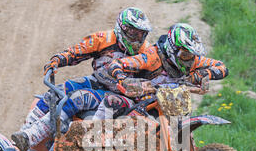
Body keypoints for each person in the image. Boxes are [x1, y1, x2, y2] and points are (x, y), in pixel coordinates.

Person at [11, 7, 152, 151]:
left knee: (77, 98)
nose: (137, 38)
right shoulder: (103, 39)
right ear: (122, 28)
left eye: (142, 34)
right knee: (56, 92)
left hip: (122, 95)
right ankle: (23, 136)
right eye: (133, 33)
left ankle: (33, 137)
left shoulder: (147, 52)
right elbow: (77, 51)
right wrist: (58, 59)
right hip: (98, 81)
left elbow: (156, 75)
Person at [92, 23, 229, 120]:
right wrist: (124, 79)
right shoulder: (152, 56)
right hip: (140, 103)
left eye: (192, 55)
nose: (189, 60)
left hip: (171, 103)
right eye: (185, 55)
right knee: (111, 101)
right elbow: (116, 64)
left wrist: (203, 74)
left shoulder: (193, 60)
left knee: (184, 130)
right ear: (172, 49)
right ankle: (92, 139)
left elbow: (222, 67)